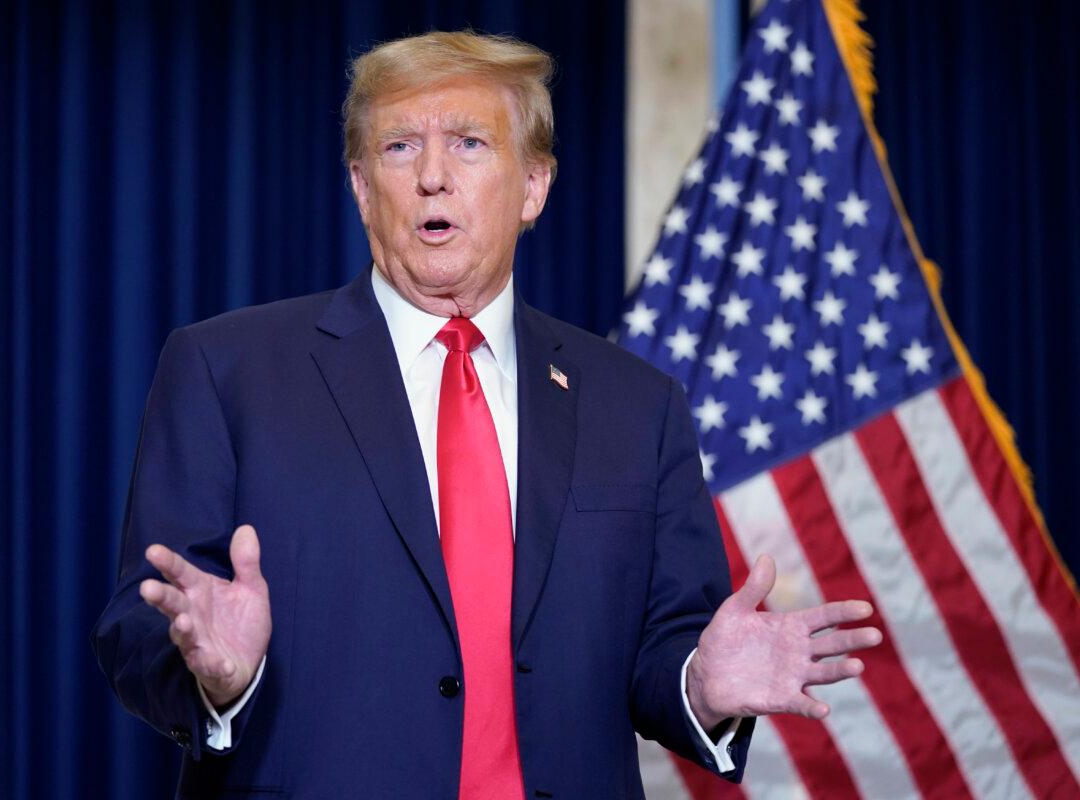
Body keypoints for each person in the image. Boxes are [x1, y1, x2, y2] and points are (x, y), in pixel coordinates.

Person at [92, 30, 881, 799]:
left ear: (535, 186)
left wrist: (699, 687)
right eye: (400, 147)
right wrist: (218, 675)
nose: (433, 174)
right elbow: (140, 629)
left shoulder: (639, 405)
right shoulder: (227, 370)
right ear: (363, 189)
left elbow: (662, 644)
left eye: (469, 143)